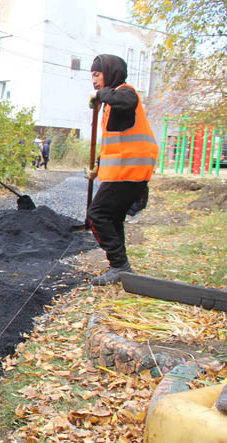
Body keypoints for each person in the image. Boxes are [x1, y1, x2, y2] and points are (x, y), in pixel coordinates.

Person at [86, 54, 158, 285]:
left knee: (97, 214)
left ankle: (119, 265)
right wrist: (97, 167)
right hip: (124, 171)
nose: (94, 80)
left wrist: (99, 95)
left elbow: (126, 101)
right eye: (92, 76)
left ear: (110, 72)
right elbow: (113, 141)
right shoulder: (111, 105)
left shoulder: (127, 93)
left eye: (97, 74)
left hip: (130, 171)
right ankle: (120, 267)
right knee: (114, 219)